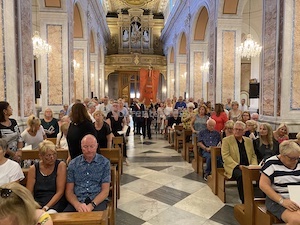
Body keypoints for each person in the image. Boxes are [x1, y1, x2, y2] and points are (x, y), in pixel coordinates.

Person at [64, 135, 110, 212]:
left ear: (97, 146)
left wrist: (91, 205)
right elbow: (69, 191)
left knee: (98, 219)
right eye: (85, 147)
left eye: (92, 146)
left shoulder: (104, 163)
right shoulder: (73, 164)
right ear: (81, 147)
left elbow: (105, 191)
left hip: (97, 200)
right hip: (78, 200)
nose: (89, 150)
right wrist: (77, 205)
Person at [259, 141, 300, 224]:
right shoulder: (271, 163)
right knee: (296, 220)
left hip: (297, 198)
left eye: (297, 158)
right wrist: (282, 201)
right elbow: (263, 185)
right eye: (292, 158)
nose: (295, 161)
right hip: (277, 200)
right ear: (282, 155)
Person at [221, 121, 258, 203]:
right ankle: (245, 201)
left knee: (260, 174)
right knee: (241, 176)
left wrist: (254, 165)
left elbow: (253, 155)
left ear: (244, 131)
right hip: (233, 166)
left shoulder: (248, 141)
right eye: (235, 129)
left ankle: (257, 199)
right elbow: (226, 157)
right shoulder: (226, 140)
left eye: (239, 130)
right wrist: (238, 166)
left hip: (248, 165)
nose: (237, 131)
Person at [26, 140, 67, 213]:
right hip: (38, 202)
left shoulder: (60, 166)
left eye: (54, 154)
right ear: (41, 156)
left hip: (55, 202)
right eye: (48, 155)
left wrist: (46, 207)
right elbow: (29, 192)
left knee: (48, 215)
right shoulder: (33, 169)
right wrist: (33, 206)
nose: (52, 157)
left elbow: (60, 192)